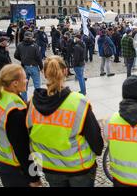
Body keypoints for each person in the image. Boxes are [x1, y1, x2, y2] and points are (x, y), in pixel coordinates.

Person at [26, 56, 103, 187]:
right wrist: (98, 151)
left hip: (51, 168)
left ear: (44, 74)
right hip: (79, 168)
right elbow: (95, 138)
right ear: (66, 71)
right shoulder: (78, 102)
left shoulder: (33, 102)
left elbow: (29, 133)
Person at [0, 64, 41, 187]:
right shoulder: (15, 112)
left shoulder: (2, 96)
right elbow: (22, 149)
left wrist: (28, 105)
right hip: (16, 168)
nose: (27, 80)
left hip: (3, 161)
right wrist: (34, 178)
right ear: (15, 83)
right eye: (24, 78)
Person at [14, 31, 43, 101]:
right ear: (31, 37)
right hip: (34, 67)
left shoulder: (20, 45)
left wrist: (23, 59)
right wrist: (42, 67)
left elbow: (15, 55)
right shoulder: (35, 46)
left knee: (24, 86)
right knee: (37, 85)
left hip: (24, 67)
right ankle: (38, 101)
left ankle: (24, 102)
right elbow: (38, 58)